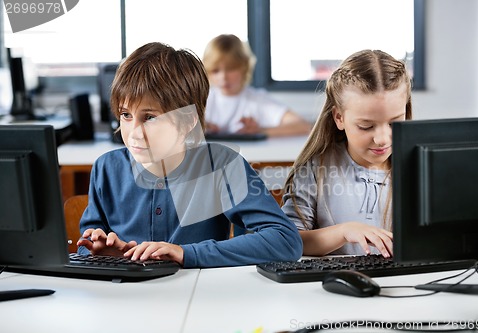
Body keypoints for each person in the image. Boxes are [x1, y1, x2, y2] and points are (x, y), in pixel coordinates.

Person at [76, 42, 302, 268]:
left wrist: (185, 253)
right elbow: (85, 246)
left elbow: (285, 241)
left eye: (149, 118)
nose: (134, 133)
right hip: (127, 296)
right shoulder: (107, 168)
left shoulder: (221, 165)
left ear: (188, 120)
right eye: (126, 115)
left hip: (201, 294)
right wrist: (101, 253)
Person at [281, 49, 412, 258]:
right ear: (339, 117)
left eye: (394, 122)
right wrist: (343, 232)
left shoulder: (417, 166)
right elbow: (288, 240)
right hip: (331, 287)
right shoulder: (316, 168)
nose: (382, 139)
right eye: (366, 126)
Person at [202, 34, 311, 137]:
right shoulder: (203, 100)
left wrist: (259, 131)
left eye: (231, 69)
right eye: (215, 71)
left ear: (244, 67)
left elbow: (303, 126)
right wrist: (198, 129)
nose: (223, 77)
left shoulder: (258, 100)